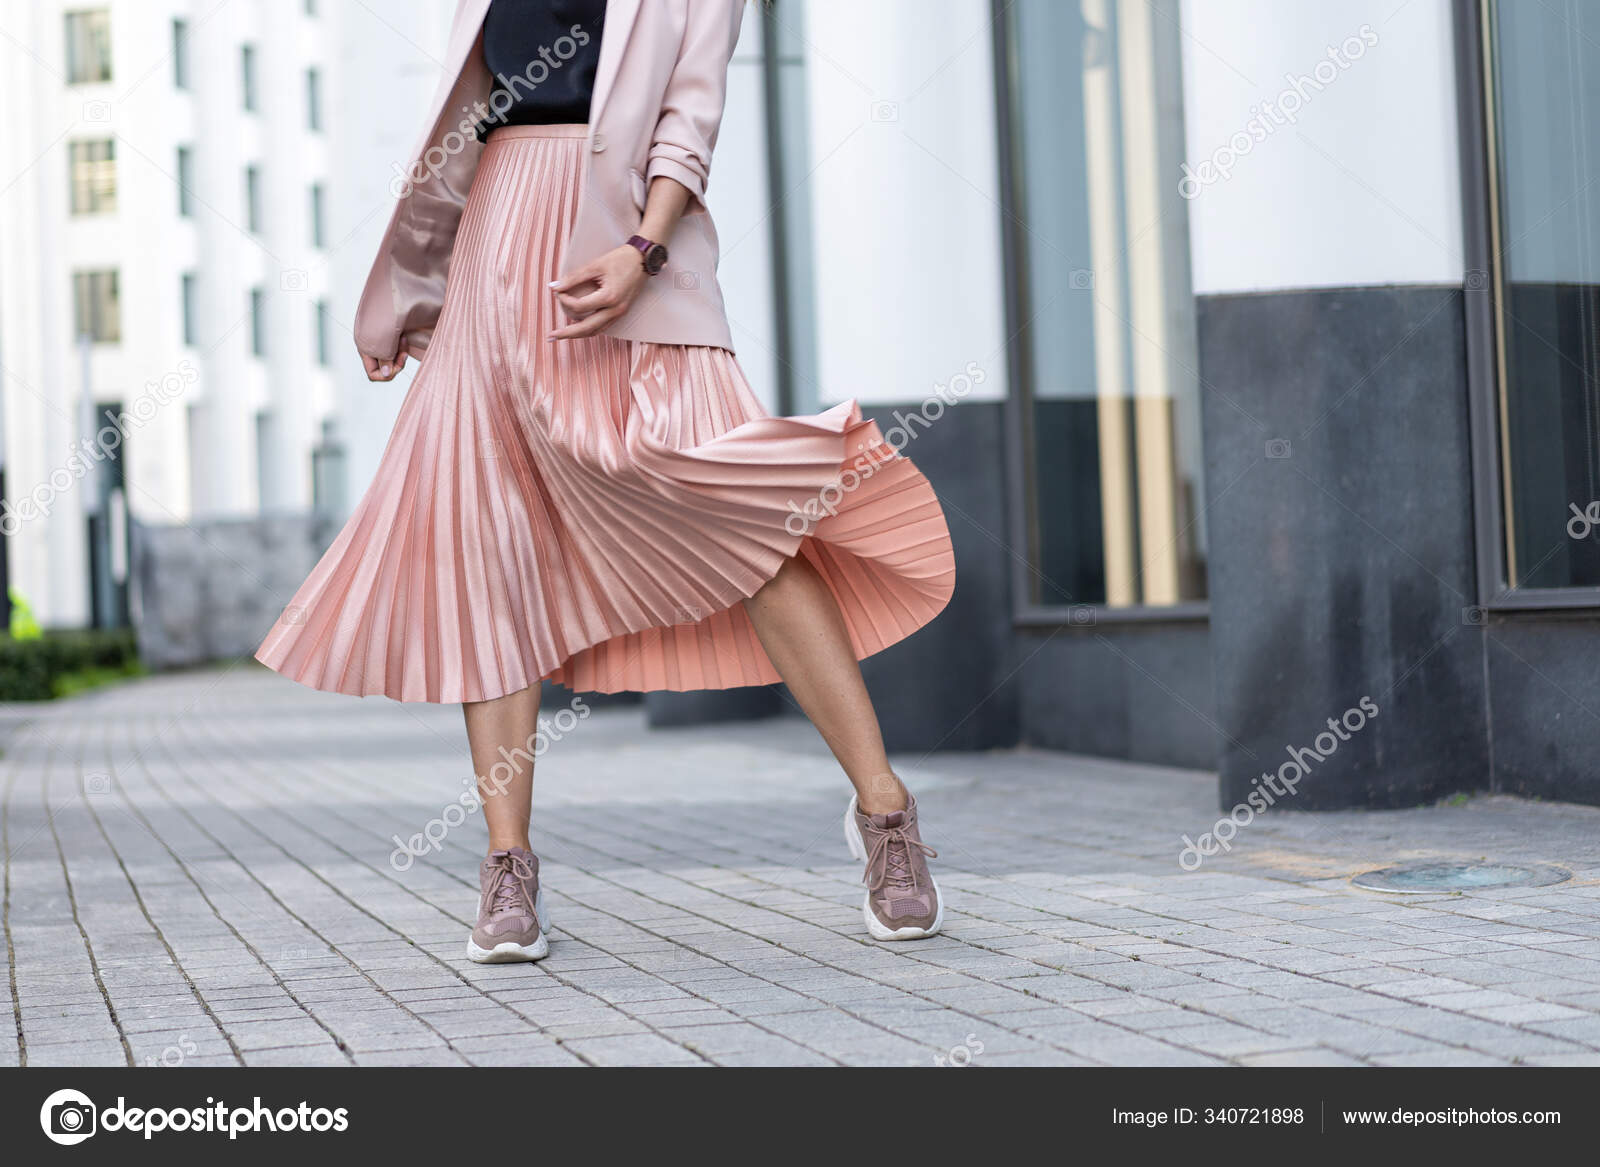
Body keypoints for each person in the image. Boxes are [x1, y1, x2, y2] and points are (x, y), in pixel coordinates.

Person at [257, 0, 956, 962]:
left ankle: (885, 813)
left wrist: (642, 250)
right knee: (487, 539)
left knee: (748, 518)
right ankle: (508, 866)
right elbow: (467, 122)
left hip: (629, 250)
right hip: (499, 259)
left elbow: (688, 120)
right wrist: (413, 297)